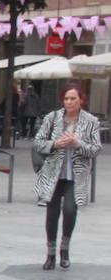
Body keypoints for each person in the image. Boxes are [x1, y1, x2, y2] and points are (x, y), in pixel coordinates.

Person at [32, 84, 102, 270]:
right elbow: (38, 143)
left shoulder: (91, 121)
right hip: (53, 174)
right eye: (66, 99)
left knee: (70, 210)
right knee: (52, 213)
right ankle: (50, 253)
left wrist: (77, 143)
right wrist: (55, 144)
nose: (69, 102)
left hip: (75, 175)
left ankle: (65, 249)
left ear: (81, 100)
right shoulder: (52, 118)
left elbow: (95, 149)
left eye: (73, 99)